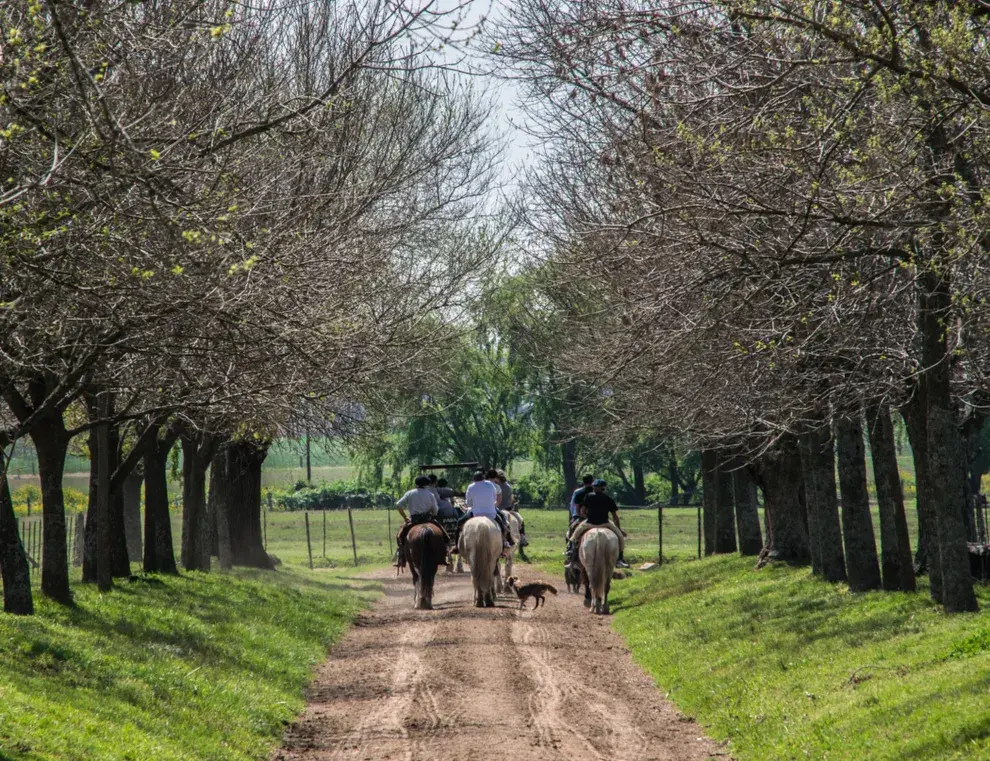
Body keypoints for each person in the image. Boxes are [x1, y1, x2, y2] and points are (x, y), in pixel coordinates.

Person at [567, 479, 630, 568]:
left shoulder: (588, 496)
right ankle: (619, 559)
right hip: (605, 523)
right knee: (620, 538)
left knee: (574, 536)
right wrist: (618, 529)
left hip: (589, 523)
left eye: (595, 487)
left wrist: (585, 516)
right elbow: (615, 516)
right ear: (603, 488)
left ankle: (572, 558)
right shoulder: (608, 498)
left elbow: (582, 510)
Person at [450, 470, 513, 553]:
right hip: (491, 514)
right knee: (502, 523)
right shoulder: (490, 485)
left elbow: (469, 503)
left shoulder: (471, 487)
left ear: (474, 479)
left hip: (475, 514)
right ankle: (505, 541)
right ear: (483, 478)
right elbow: (494, 498)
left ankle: (456, 546)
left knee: (459, 523)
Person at [394, 475, 445, 567]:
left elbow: (398, 505)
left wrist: (405, 517)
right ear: (427, 485)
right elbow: (436, 511)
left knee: (400, 537)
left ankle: (401, 557)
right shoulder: (431, 494)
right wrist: (432, 514)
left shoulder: (410, 493)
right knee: (444, 535)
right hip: (428, 519)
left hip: (414, 520)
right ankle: (443, 556)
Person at [496, 469, 528, 547]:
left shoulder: (495, 486)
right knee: (521, 520)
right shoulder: (508, 486)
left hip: (497, 509)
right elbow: (510, 499)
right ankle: (523, 536)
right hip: (508, 509)